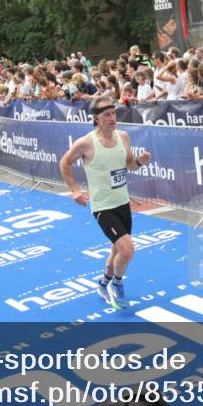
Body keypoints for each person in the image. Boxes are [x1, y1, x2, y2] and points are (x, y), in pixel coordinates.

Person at [60, 96, 152, 310]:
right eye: (107, 115)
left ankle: (103, 283)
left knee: (116, 251)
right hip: (102, 207)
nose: (112, 118)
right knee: (128, 250)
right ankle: (117, 285)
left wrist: (140, 161)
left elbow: (130, 165)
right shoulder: (86, 143)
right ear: (96, 119)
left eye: (114, 113)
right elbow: (65, 163)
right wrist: (74, 190)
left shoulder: (124, 137)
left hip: (122, 203)